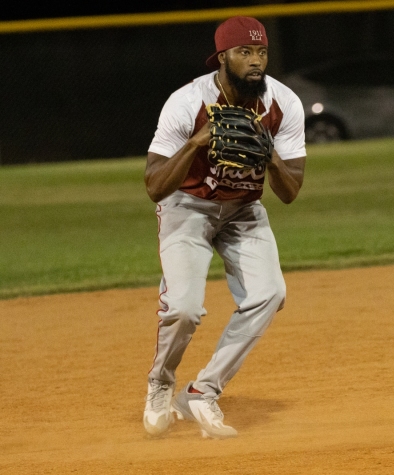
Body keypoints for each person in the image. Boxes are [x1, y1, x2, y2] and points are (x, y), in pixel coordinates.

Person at [142, 16, 306, 439]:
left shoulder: (282, 104)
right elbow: (155, 187)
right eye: (244, 52)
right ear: (222, 57)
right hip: (187, 206)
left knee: (270, 294)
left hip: (243, 212)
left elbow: (289, 192)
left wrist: (270, 157)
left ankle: (201, 392)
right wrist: (196, 142)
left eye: (262, 52)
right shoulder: (186, 102)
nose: (255, 61)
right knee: (183, 308)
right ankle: (161, 384)